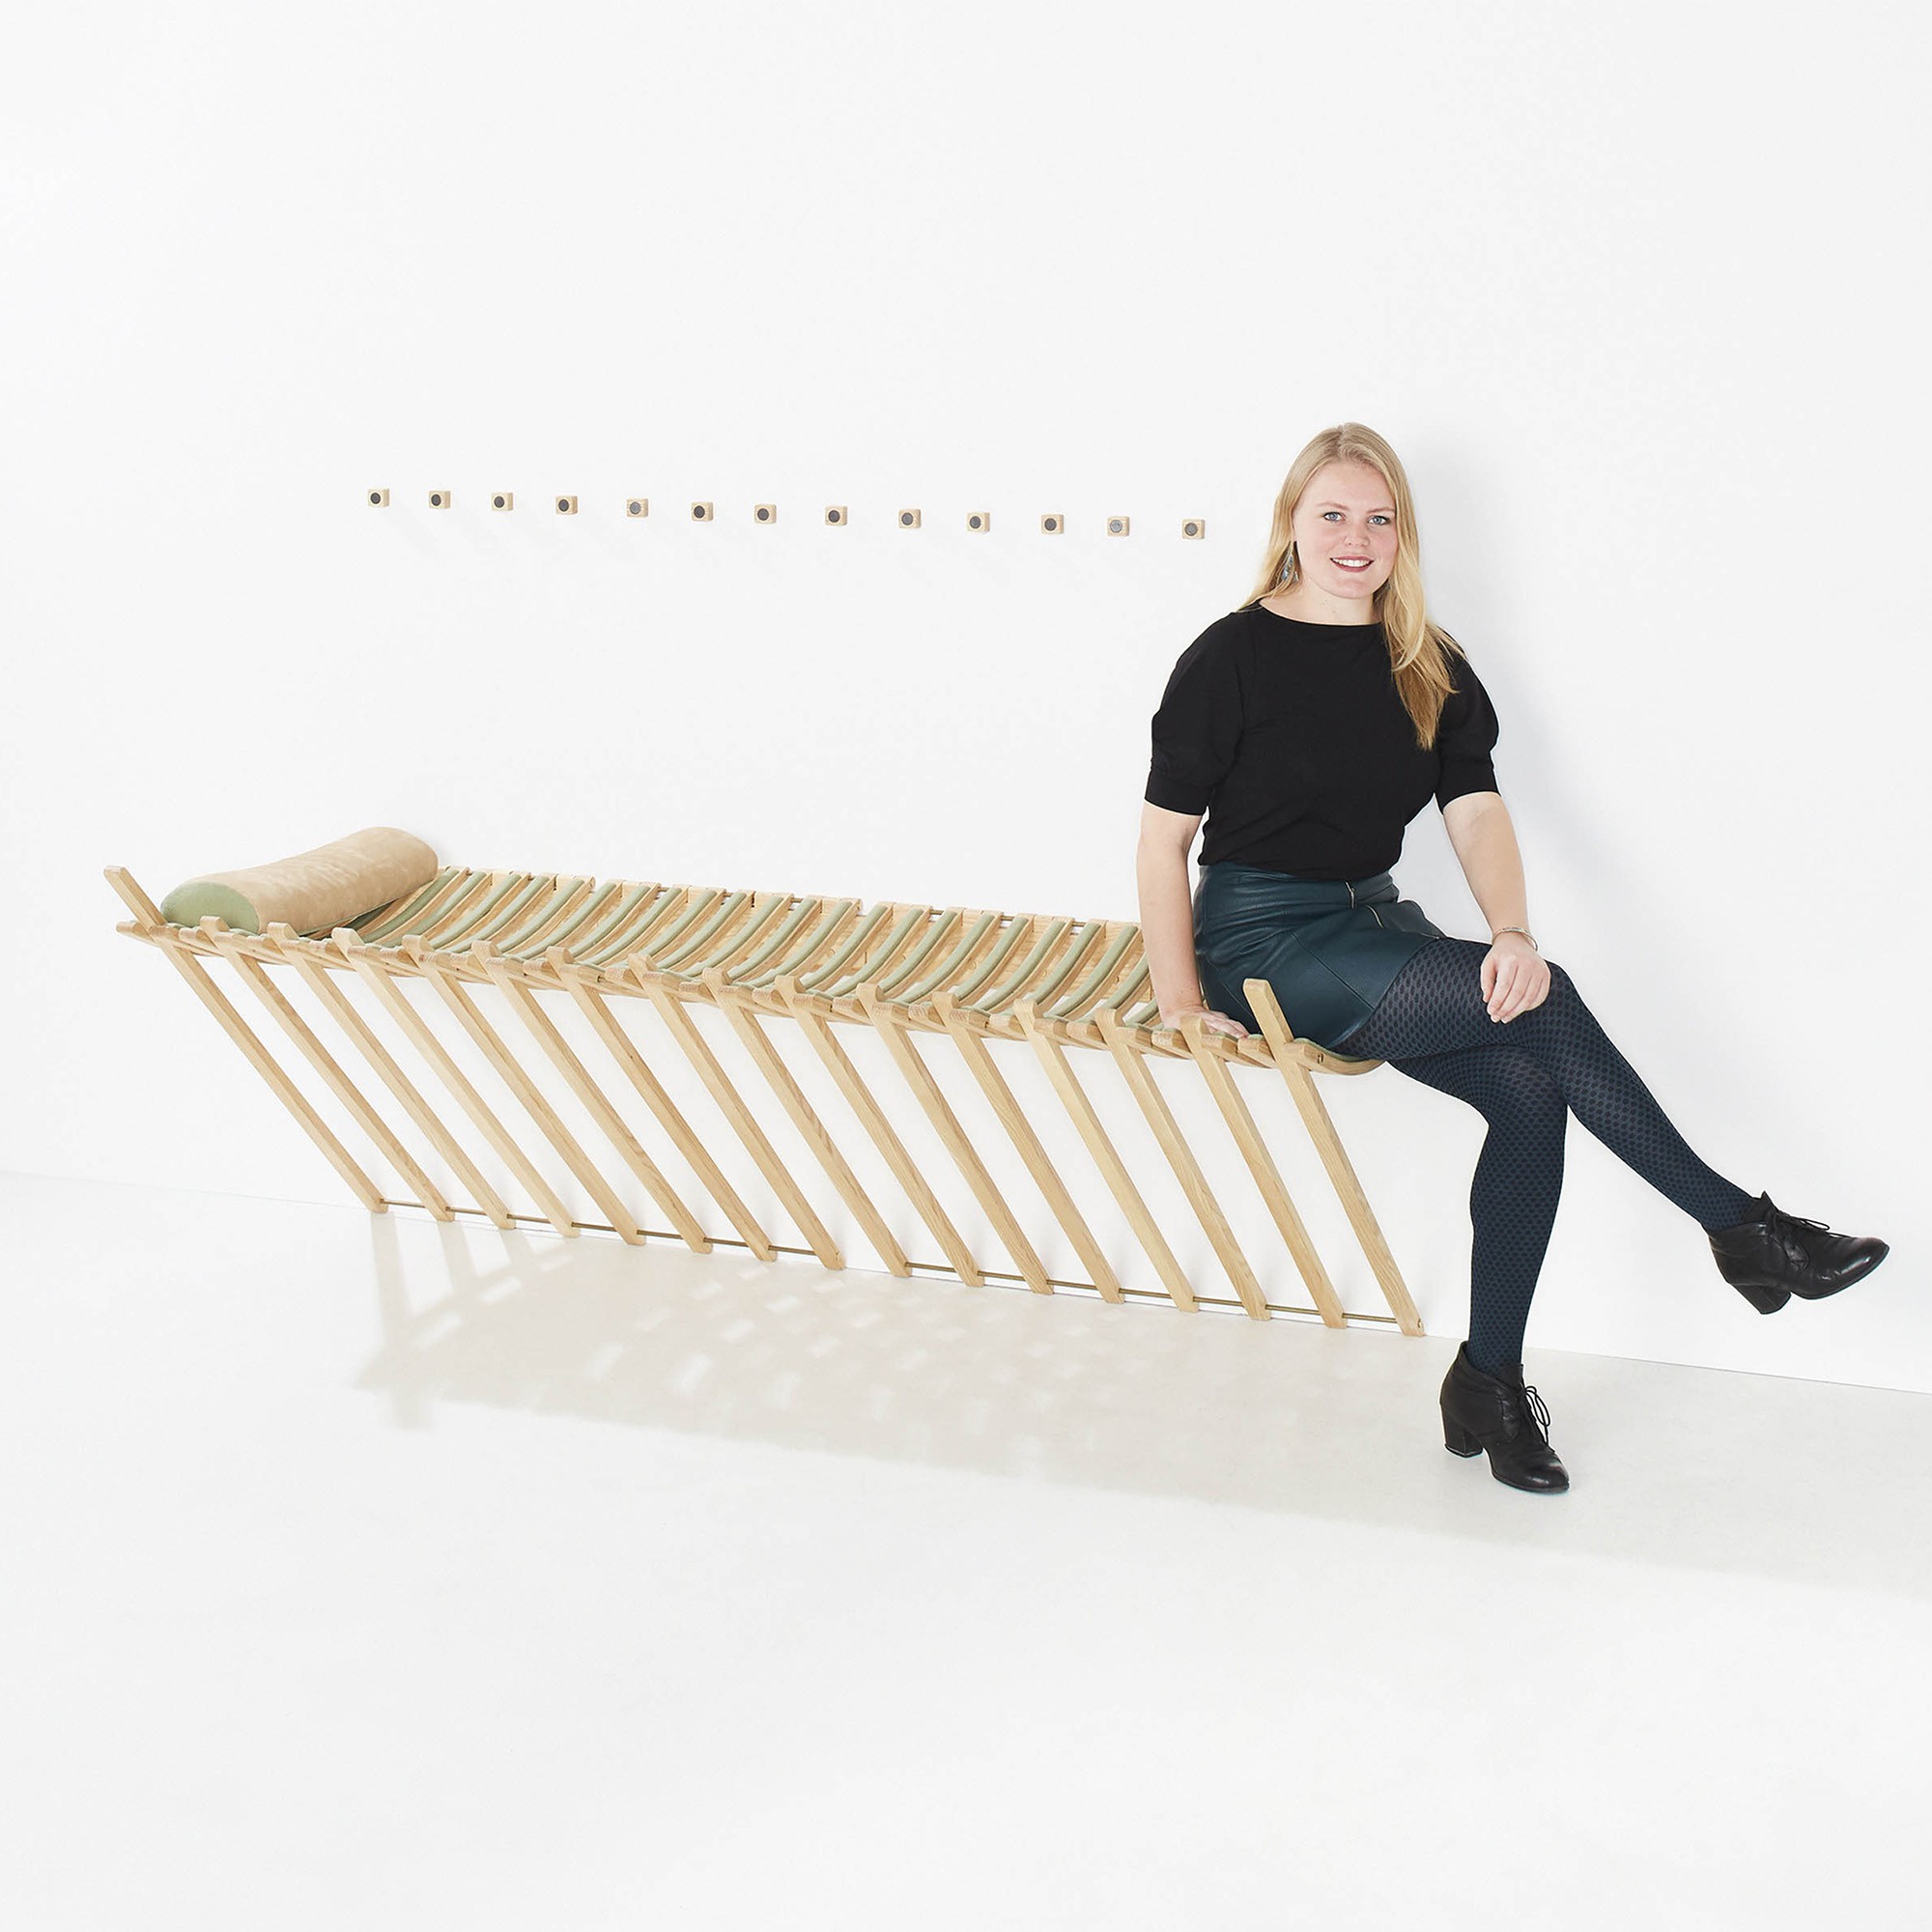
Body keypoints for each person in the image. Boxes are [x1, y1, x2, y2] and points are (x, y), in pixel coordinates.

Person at [1134, 421, 1889, 1495]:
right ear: (1290, 524)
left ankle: (1487, 1380)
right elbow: (1162, 840)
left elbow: (1474, 807)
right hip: (1262, 939)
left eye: (1379, 518)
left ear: (1402, 533)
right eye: (1332, 514)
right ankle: (1741, 1228)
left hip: (1373, 921)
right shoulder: (1228, 657)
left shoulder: (1426, 659)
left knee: (1532, 1095)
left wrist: (1510, 932)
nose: (1356, 538)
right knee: (1548, 1006)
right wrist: (1176, 999)